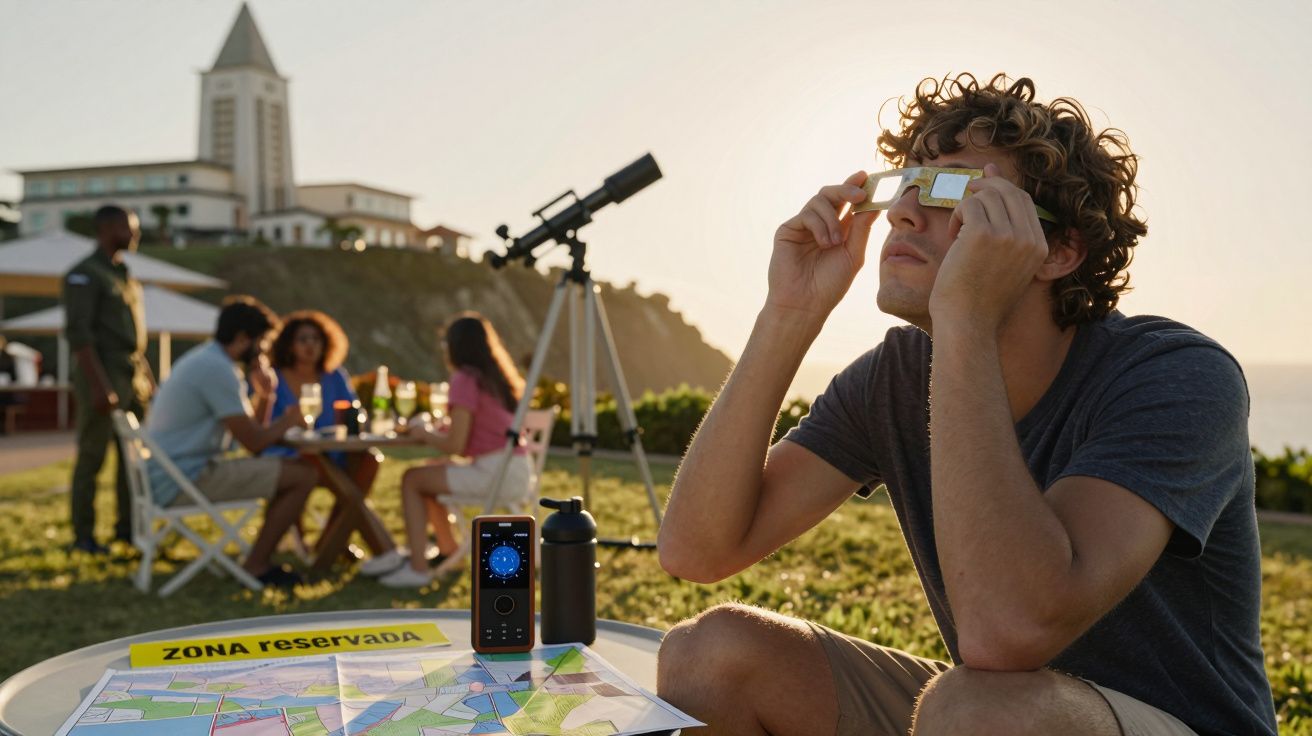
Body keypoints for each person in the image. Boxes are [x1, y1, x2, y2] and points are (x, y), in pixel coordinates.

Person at [656, 74, 1276, 736]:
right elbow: (697, 551)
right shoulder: (897, 375)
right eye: (904, 185)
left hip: (1171, 724)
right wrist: (790, 311)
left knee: (978, 709)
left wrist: (965, 319)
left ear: (1058, 250)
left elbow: (1008, 633)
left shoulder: (1176, 375)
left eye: (952, 190)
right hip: (993, 712)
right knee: (710, 655)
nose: (902, 213)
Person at [145, 295, 316, 588]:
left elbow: (253, 434)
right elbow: (255, 443)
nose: (264, 351)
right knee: (304, 475)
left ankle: (262, 557)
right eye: (262, 342)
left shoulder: (208, 361)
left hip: (171, 474)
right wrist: (290, 420)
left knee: (292, 471)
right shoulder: (217, 370)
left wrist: (266, 396)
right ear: (242, 338)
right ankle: (257, 565)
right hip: (185, 479)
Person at [373, 312, 534, 588]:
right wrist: (440, 428)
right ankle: (449, 550)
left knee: (412, 479)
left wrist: (423, 432)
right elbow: (476, 428)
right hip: (517, 471)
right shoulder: (496, 379)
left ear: (455, 346)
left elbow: (455, 446)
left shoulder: (465, 378)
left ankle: (418, 568)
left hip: (496, 474)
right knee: (430, 472)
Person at [263, 310, 395, 560]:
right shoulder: (273, 379)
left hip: (333, 453)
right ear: (289, 344)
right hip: (290, 453)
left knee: (369, 460)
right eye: (303, 339)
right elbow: (265, 424)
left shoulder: (334, 376)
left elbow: (353, 414)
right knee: (316, 464)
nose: (310, 345)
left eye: (316, 339)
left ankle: (330, 540)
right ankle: (382, 551)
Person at [63, 205, 154, 554]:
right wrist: (100, 386)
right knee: (92, 456)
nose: (135, 235)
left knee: (132, 459)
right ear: (109, 228)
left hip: (132, 375)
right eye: (129, 228)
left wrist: (147, 377)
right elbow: (80, 336)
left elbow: (133, 338)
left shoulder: (124, 274)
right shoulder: (84, 274)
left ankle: (128, 530)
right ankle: (84, 536)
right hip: (103, 373)